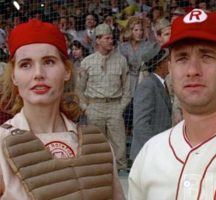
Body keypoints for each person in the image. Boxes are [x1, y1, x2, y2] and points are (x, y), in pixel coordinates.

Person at [129, 9, 216, 199]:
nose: (192, 70)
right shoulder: (150, 153)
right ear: (170, 69)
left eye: (207, 56)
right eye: (182, 58)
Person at [0, 19, 124, 199]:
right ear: (14, 77)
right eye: (25, 64)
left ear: (66, 71)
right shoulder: (2, 143)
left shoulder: (98, 145)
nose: (38, 74)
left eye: (49, 62)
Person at [78, 23, 131, 170]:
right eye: (107, 38)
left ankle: (121, 170)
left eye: (111, 38)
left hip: (115, 105)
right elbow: (79, 90)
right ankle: (97, 170)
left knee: (119, 142)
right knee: (95, 142)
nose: (110, 41)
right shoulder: (87, 62)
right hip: (94, 106)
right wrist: (86, 108)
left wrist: (121, 107)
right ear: (98, 40)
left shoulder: (121, 60)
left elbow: (127, 87)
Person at [130, 43, 172, 160]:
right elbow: (140, 125)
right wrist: (155, 148)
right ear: (159, 64)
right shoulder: (148, 86)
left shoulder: (160, 83)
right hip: (148, 154)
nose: (170, 62)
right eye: (167, 60)